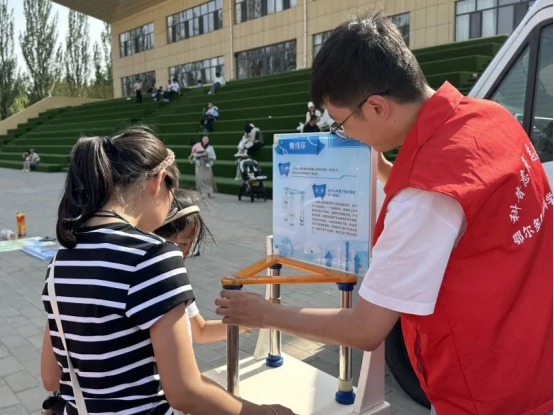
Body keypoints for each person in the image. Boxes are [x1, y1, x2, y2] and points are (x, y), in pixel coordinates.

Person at [216, 11, 554, 415]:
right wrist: (384, 170)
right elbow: (465, 201)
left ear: (376, 107)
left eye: (340, 123)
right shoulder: (490, 117)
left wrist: (266, 313)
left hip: (486, 391)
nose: (344, 135)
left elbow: (365, 328)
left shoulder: (423, 199)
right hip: (535, 357)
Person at [40, 126, 293, 415]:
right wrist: (268, 413)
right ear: (159, 181)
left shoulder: (59, 261)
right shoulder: (153, 255)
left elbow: (51, 377)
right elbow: (185, 392)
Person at [155, 189, 251, 340]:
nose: (187, 251)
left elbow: (200, 331)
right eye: (183, 243)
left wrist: (248, 322)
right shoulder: (166, 282)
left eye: (190, 244)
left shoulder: (176, 279)